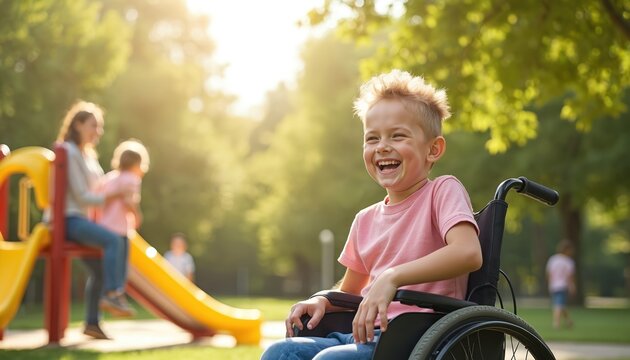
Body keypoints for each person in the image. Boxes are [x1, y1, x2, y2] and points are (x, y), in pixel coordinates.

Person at [261, 69, 483, 360]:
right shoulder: (365, 219)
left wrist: (392, 277)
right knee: (282, 352)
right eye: (372, 138)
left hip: (419, 339)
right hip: (361, 335)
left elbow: (468, 253)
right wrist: (322, 301)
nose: (382, 147)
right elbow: (350, 291)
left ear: (433, 149)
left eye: (397, 135)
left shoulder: (442, 191)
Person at [54, 100, 135, 340]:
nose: (98, 131)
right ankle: (112, 293)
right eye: (93, 126)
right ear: (77, 125)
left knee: (103, 265)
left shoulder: (88, 156)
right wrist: (116, 195)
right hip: (69, 220)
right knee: (113, 241)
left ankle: (92, 323)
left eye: (99, 127)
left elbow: (101, 187)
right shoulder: (68, 151)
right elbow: (82, 195)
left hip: (84, 221)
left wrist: (122, 186)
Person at [95, 139, 151, 316]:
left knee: (109, 263)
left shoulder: (110, 177)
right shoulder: (132, 179)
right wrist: (137, 215)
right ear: (137, 164)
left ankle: (111, 295)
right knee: (121, 265)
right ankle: (115, 294)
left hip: (104, 225)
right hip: (119, 228)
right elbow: (129, 202)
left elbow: (100, 199)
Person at [546, 240, 576, 329]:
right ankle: (556, 323)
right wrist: (572, 286)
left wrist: (550, 283)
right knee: (559, 305)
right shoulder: (568, 262)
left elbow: (549, 273)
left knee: (560, 304)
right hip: (562, 286)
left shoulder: (553, 259)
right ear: (566, 250)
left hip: (553, 285)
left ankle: (569, 321)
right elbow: (569, 276)